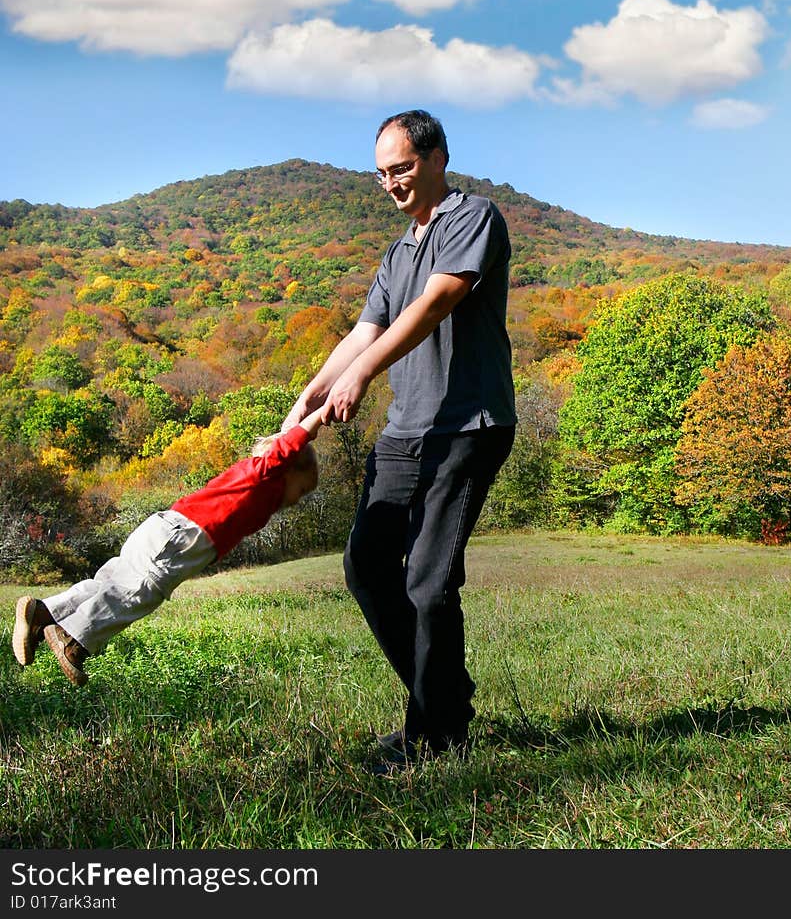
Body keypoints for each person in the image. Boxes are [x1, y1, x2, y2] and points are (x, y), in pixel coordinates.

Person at [281, 109, 516, 770]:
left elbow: (437, 302)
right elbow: (364, 330)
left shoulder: (474, 218)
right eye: (382, 173)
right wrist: (316, 388)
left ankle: (435, 733)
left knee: (429, 583)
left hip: (467, 425)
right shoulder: (398, 250)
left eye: (403, 168)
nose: (391, 183)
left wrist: (362, 373)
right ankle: (443, 700)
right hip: (406, 431)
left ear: (438, 157)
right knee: (366, 564)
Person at [12, 408, 323, 686]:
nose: (298, 499)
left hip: (166, 525)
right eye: (303, 489)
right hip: (185, 538)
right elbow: (289, 445)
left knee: (111, 582)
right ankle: (72, 638)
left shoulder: (255, 483)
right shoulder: (264, 475)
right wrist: (320, 414)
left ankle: (44, 612)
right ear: (289, 468)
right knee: (138, 592)